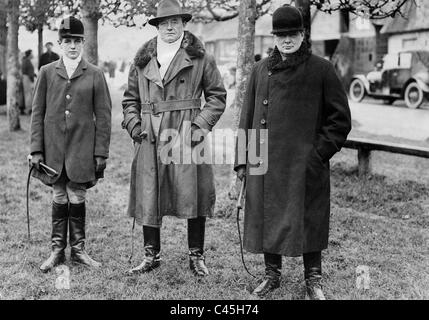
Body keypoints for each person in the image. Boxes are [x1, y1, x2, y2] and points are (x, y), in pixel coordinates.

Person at [234, 5, 351, 299]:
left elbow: (340, 120)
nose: (287, 40)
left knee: (310, 217)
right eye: (281, 35)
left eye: (293, 34)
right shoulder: (260, 70)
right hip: (266, 160)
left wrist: (318, 153)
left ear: (303, 34)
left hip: (304, 164)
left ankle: (313, 279)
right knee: (267, 216)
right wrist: (242, 163)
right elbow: (246, 118)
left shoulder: (321, 69)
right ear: (274, 37)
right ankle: (271, 275)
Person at [122, 0, 226, 277]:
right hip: (150, 133)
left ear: (183, 24)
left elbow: (216, 97)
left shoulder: (201, 56)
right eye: (164, 23)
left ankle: (196, 255)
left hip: (186, 131)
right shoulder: (142, 59)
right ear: (157, 26)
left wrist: (199, 126)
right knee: (149, 191)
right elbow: (129, 100)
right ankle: (151, 254)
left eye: (175, 22)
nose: (170, 27)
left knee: (194, 191)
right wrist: (134, 126)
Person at [30, 16, 112, 273]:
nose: (72, 46)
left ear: (83, 42)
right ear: (60, 43)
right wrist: (36, 149)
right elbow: (36, 113)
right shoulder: (46, 72)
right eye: (67, 41)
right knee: (58, 194)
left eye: (77, 41)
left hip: (81, 150)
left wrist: (100, 152)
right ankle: (57, 250)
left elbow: (105, 116)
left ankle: (78, 250)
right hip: (53, 149)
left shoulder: (95, 74)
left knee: (77, 194)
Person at [22, 49, 36, 114]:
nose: (33, 55)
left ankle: (29, 108)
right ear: (29, 54)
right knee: (28, 94)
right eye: (32, 53)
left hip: (27, 77)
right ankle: (28, 109)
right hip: (27, 78)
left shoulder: (26, 61)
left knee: (29, 93)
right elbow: (28, 71)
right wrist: (32, 79)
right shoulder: (27, 61)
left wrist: (34, 75)